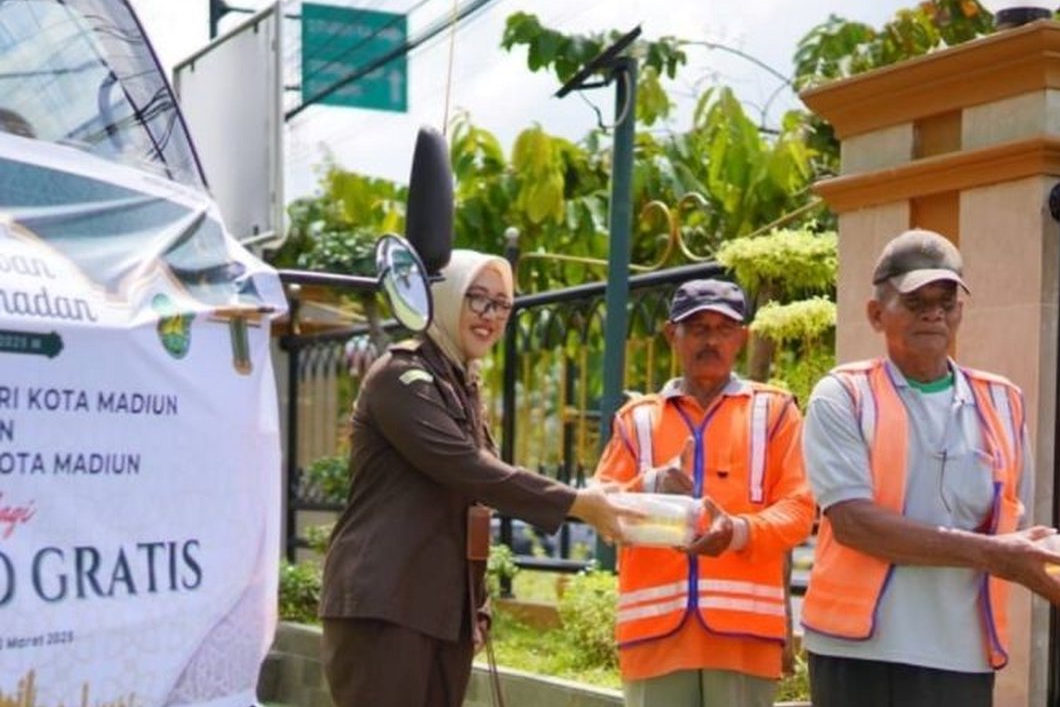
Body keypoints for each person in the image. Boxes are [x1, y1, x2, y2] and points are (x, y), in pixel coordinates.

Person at [320, 249, 637, 707]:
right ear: (443, 298)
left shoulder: (460, 382)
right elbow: (468, 468)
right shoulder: (400, 377)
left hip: (441, 610)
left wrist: (476, 605)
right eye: (478, 299)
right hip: (385, 604)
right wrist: (578, 503)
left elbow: (471, 502)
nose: (490, 316)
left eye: (502, 305)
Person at [800, 230, 1060, 707]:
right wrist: (995, 554)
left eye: (946, 302)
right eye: (915, 302)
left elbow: (1017, 532)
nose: (934, 313)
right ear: (875, 314)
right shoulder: (843, 395)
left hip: (961, 653)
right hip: (859, 651)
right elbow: (854, 524)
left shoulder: (1003, 401)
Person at [594, 278, 815, 707]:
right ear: (671, 334)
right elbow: (600, 511)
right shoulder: (635, 420)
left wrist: (736, 531)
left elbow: (800, 510)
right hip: (653, 635)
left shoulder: (775, 411)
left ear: (742, 338)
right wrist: (653, 484)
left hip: (743, 638)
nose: (711, 340)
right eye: (697, 328)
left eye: (724, 329)